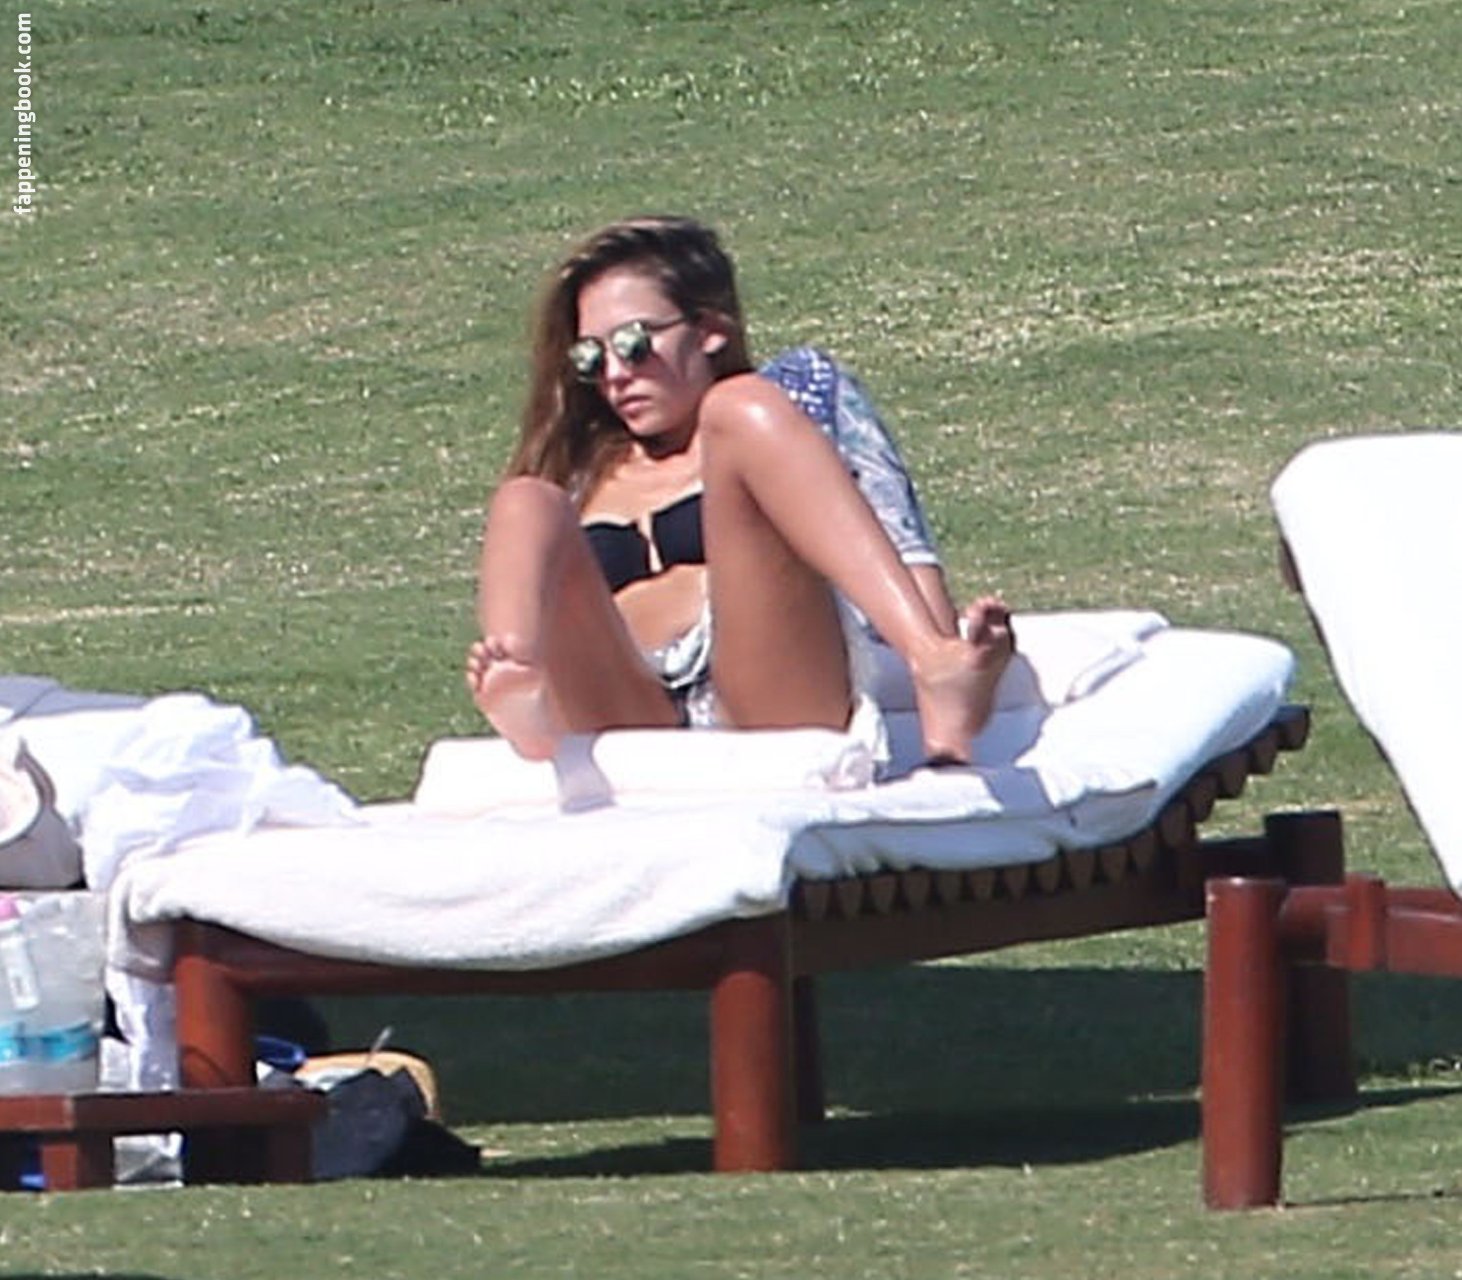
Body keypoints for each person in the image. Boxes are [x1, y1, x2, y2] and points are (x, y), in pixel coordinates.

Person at [465, 215, 1012, 765]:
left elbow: (901, 546)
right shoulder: (579, 466)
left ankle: (932, 661)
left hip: (765, 694)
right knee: (525, 499)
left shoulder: (794, 401)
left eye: (634, 344)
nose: (615, 374)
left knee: (736, 406)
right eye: (590, 356)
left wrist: (946, 662)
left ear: (709, 330)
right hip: (630, 705)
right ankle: (520, 689)